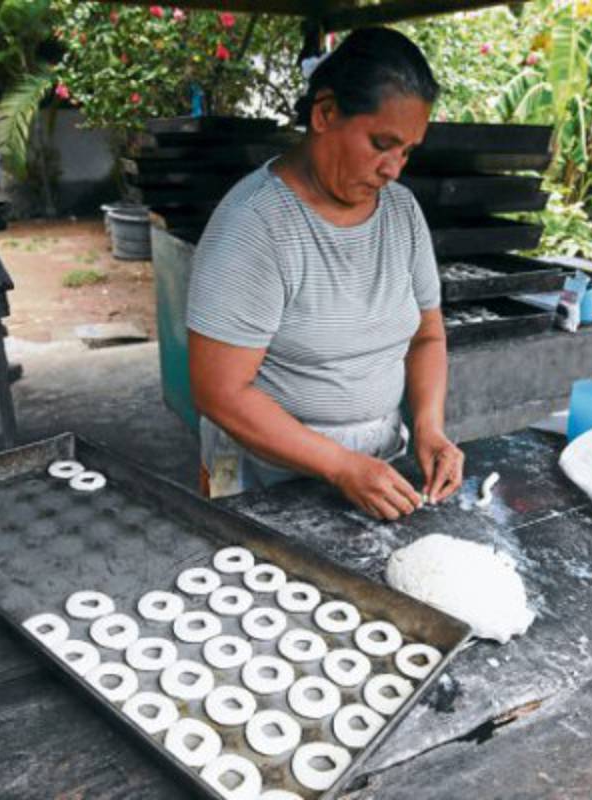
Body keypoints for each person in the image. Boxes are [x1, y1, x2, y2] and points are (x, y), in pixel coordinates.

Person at [186, 27, 463, 520]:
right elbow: (219, 392)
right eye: (382, 143)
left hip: (378, 464)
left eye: (407, 151)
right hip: (267, 474)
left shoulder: (402, 213)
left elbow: (427, 337)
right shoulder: (255, 225)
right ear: (325, 113)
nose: (393, 169)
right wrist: (339, 465)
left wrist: (428, 427)